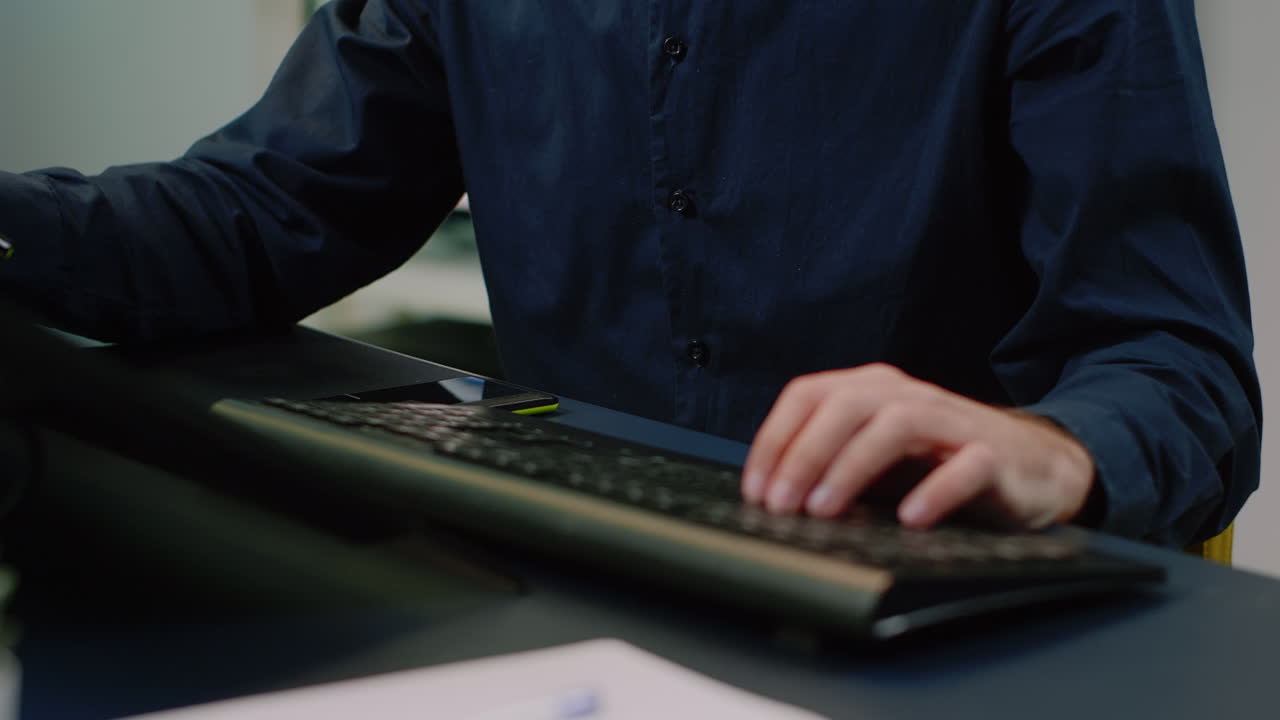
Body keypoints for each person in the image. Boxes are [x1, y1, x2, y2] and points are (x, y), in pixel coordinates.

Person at [0, 0, 1260, 547]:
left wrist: (1054, 448)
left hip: (929, 612)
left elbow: (1175, 363)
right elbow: (260, 210)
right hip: (592, 587)